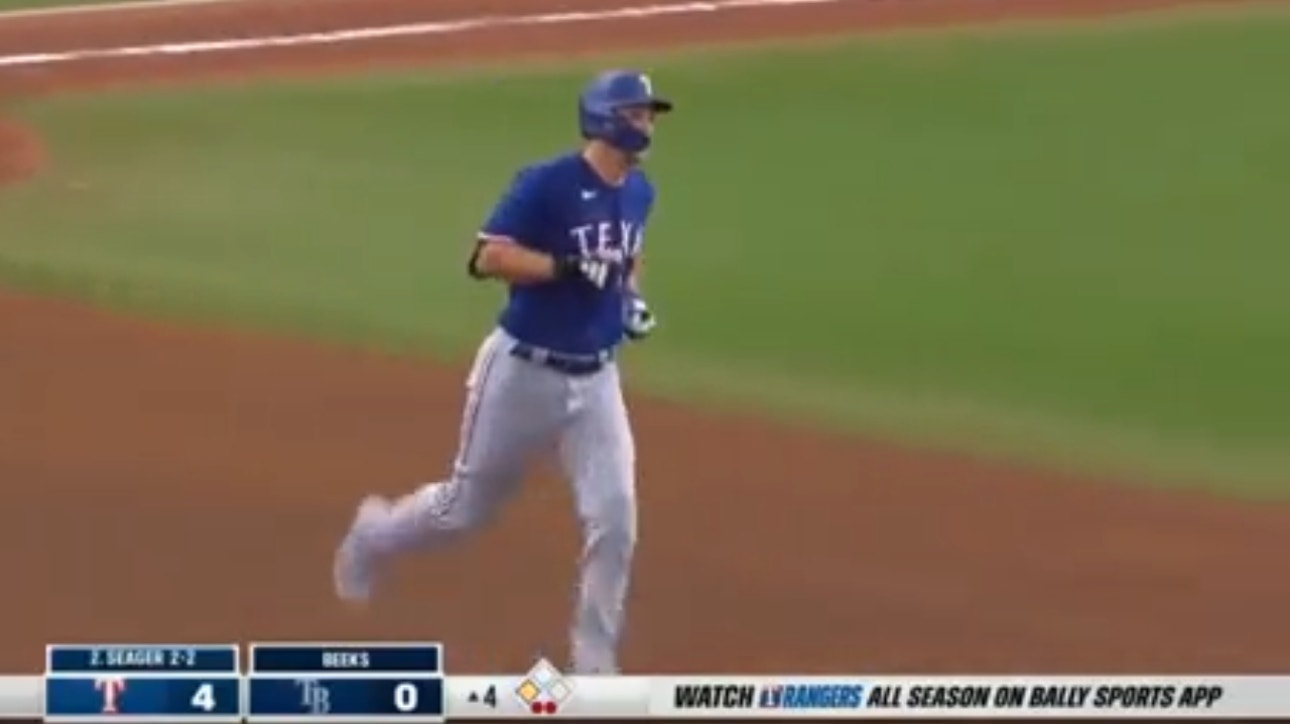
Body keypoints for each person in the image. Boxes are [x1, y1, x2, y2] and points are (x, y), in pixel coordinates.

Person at [332, 68, 672, 675]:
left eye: (649, 114)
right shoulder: (547, 184)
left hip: (596, 382)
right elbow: (487, 256)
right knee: (463, 510)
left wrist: (630, 300)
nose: (647, 123)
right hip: (521, 372)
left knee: (616, 516)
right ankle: (374, 535)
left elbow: (629, 255)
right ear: (606, 117)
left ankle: (593, 666)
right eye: (639, 112)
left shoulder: (639, 191)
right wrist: (565, 268)